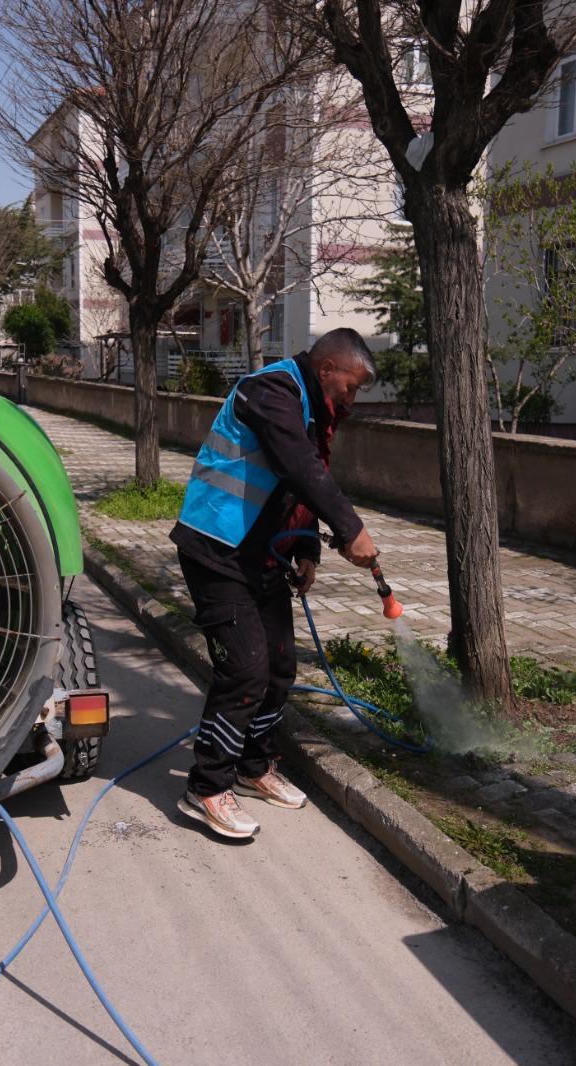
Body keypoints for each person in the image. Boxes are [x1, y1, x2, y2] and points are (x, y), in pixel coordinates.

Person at [171, 328, 380, 840]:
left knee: (280, 669)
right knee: (245, 671)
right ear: (327, 368)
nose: (351, 399)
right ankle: (206, 786)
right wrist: (351, 528)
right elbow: (298, 466)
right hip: (217, 550)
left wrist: (307, 550)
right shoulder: (270, 390)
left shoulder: (311, 408)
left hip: (260, 556)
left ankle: (252, 766)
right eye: (350, 387)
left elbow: (300, 484)